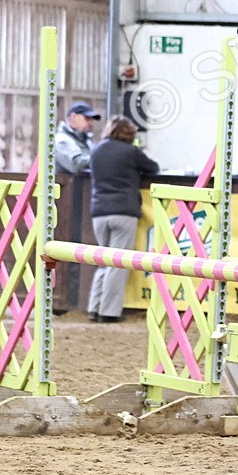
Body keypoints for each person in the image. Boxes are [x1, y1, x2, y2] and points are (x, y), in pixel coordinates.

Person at [87, 115, 159, 322]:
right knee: (118, 263)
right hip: (124, 211)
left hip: (99, 211)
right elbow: (153, 168)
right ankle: (108, 312)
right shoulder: (131, 152)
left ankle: (94, 307)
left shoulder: (96, 150)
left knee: (102, 261)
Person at [56, 102, 101, 174]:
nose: (91, 122)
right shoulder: (62, 140)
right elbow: (77, 164)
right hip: (67, 184)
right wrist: (104, 159)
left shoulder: (85, 139)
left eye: (92, 119)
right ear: (73, 117)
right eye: (87, 118)